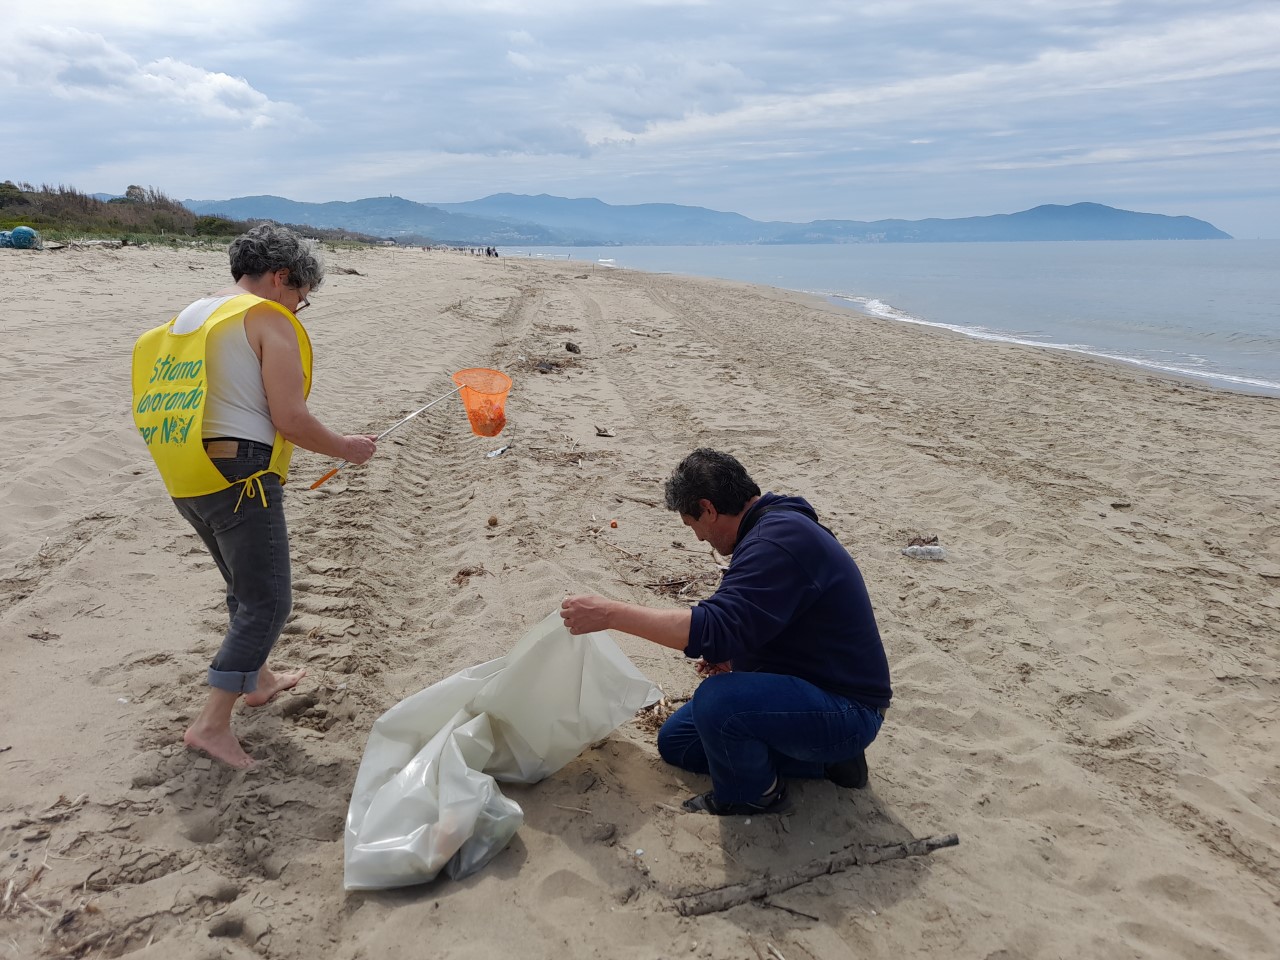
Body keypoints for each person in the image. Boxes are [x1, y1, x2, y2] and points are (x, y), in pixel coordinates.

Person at [131, 223, 377, 769]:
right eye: (301, 298)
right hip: (239, 474)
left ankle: (259, 680)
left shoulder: (189, 319)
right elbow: (290, 419)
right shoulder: (268, 317)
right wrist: (346, 448)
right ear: (282, 277)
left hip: (186, 471)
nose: (298, 308)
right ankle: (211, 724)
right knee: (268, 601)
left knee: (245, 588)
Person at [560, 448, 891, 815]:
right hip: (812, 685)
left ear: (709, 509)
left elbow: (712, 628)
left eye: (693, 525)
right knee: (678, 742)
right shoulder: (772, 528)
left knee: (720, 702)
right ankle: (827, 764)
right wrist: (736, 657)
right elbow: (763, 619)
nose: (700, 538)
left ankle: (753, 795)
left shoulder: (776, 542)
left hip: (847, 709)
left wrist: (609, 613)